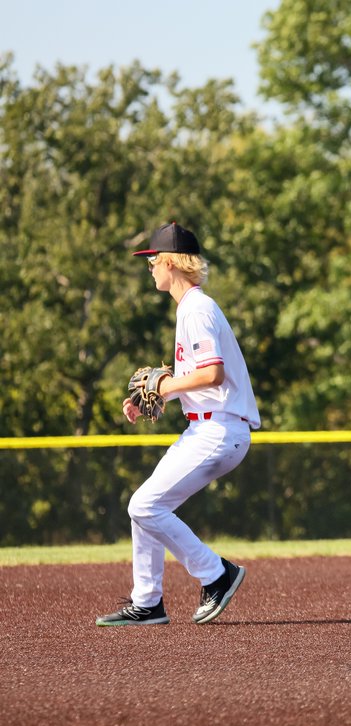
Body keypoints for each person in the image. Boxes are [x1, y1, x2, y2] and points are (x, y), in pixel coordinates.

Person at [96, 222, 260, 627]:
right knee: (147, 505)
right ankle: (147, 602)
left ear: (170, 261)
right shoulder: (189, 308)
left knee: (144, 505)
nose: (150, 267)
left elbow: (213, 375)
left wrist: (166, 383)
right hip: (205, 428)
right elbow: (197, 380)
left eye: (152, 260)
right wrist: (154, 395)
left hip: (219, 430)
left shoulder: (197, 308)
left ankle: (216, 575)